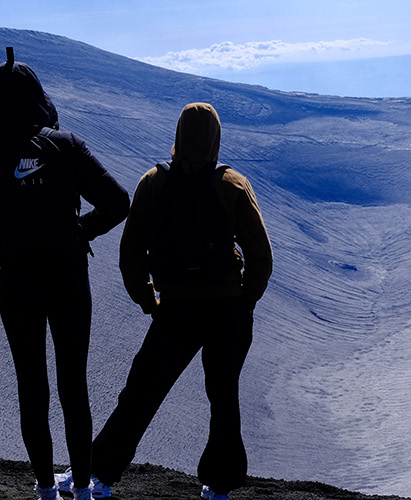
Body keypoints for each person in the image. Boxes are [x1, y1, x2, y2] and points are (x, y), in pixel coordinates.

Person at [0, 48, 129, 500]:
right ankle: (81, 490)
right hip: (68, 279)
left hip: (18, 283)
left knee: (32, 386)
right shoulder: (67, 145)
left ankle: (44, 489)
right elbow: (119, 202)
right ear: (37, 97)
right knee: (73, 385)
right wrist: (79, 230)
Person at [63, 102, 271, 500]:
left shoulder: (154, 182)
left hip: (175, 308)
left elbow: (131, 255)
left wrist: (149, 302)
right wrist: (245, 302)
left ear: (177, 136)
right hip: (228, 309)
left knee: (141, 393)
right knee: (223, 396)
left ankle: (98, 477)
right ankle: (218, 487)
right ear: (215, 137)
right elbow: (261, 257)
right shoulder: (233, 184)